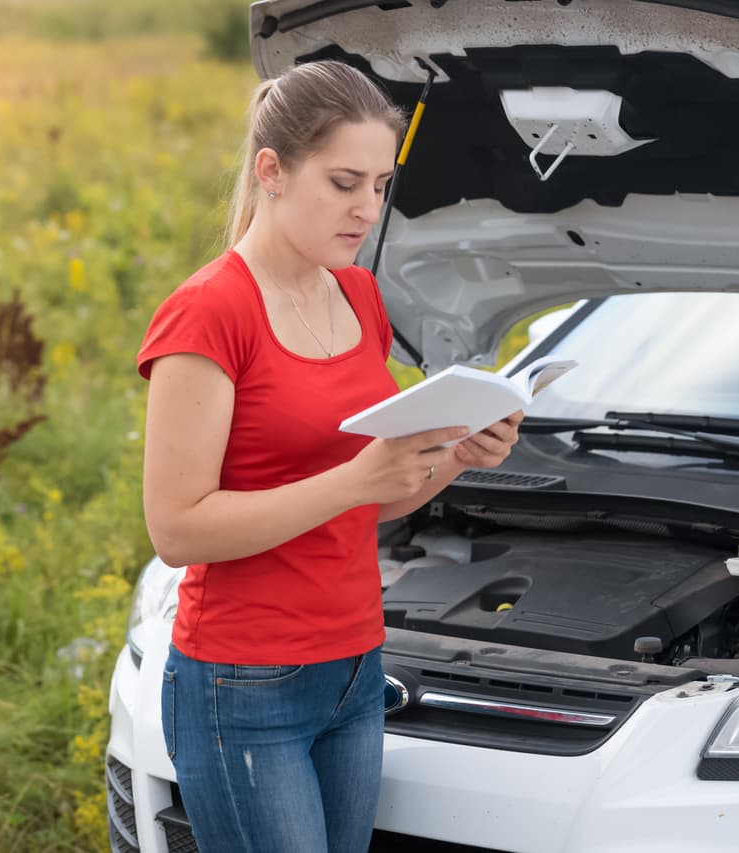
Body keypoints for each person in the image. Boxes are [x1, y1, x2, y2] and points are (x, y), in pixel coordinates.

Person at [136, 59, 523, 853]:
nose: (367, 210)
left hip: (355, 669)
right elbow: (177, 527)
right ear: (270, 171)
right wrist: (352, 477)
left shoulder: (358, 296)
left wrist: (453, 455)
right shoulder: (208, 313)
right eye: (345, 182)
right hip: (242, 684)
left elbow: (368, 499)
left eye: (380, 185)